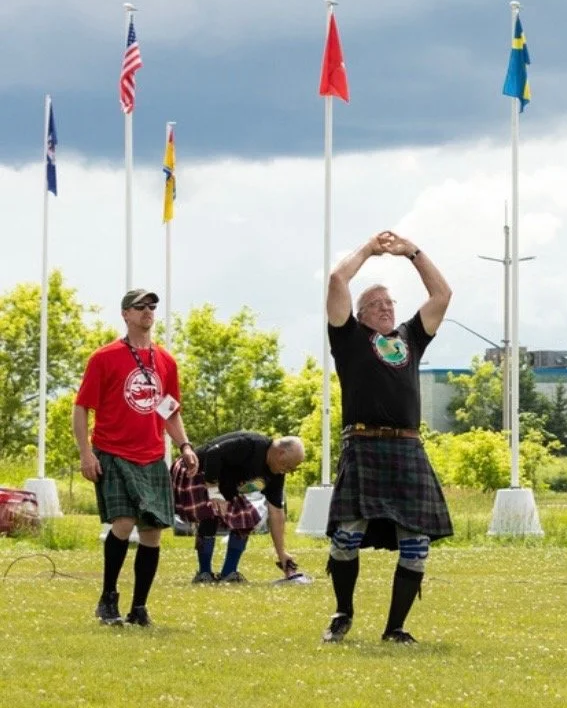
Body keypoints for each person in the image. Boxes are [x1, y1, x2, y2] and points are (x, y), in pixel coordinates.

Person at [323, 229, 453, 645]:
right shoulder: (348, 337)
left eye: (389, 302)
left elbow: (442, 295)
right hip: (364, 444)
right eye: (376, 303)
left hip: (407, 446)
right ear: (360, 314)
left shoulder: (410, 337)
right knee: (347, 535)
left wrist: (412, 252)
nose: (385, 307)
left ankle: (395, 628)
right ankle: (343, 612)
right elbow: (337, 281)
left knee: (416, 543)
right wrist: (369, 249)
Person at [73, 288, 199, 628]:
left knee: (152, 532)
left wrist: (185, 446)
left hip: (151, 456)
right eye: (140, 306)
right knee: (124, 523)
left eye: (152, 306)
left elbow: (168, 410)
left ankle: (139, 608)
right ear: (125, 314)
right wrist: (86, 453)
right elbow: (81, 407)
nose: (148, 311)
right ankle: (108, 598)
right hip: (113, 452)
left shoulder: (166, 361)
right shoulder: (105, 358)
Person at [171, 432, 305, 583]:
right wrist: (214, 492)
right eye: (288, 467)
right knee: (211, 512)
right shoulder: (250, 445)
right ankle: (204, 574)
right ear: (281, 453)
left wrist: (281, 553)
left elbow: (276, 512)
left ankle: (229, 574)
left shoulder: (276, 473)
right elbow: (213, 453)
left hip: (223, 484)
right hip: (194, 469)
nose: (287, 472)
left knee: (246, 518)